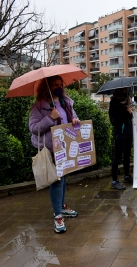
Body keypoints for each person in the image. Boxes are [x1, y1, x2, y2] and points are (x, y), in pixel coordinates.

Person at [29, 75, 79, 234]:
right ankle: (58, 215)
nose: (58, 87)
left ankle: (62, 206)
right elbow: (33, 128)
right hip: (50, 149)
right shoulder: (39, 106)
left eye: (59, 84)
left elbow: (73, 118)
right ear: (47, 87)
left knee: (63, 177)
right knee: (57, 180)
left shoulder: (66, 103)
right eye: (54, 85)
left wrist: (76, 120)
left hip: (65, 147)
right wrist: (50, 118)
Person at [109, 88, 134, 190]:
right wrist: (125, 111)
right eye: (124, 89)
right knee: (117, 157)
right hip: (120, 133)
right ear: (119, 90)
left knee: (127, 155)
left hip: (128, 132)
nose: (126, 91)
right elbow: (114, 121)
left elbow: (130, 117)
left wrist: (130, 112)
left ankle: (127, 176)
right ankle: (114, 181)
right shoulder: (114, 103)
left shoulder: (126, 102)